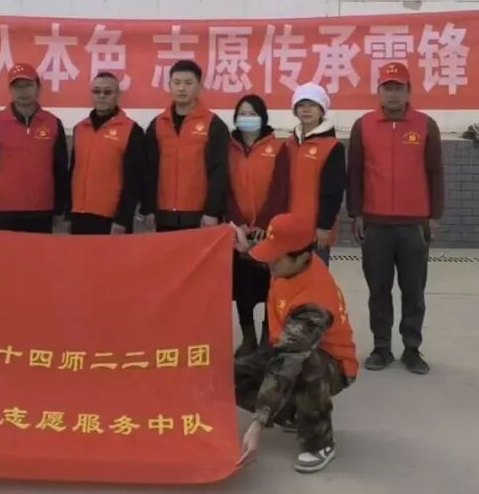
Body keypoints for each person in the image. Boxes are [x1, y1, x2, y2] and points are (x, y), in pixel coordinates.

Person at [232, 212, 358, 475]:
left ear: (301, 257)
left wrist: (258, 423)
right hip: (285, 346)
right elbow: (271, 257)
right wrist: (247, 248)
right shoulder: (294, 262)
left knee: (307, 365)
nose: (270, 263)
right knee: (234, 375)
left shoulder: (314, 303)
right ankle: (292, 412)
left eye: (276, 257)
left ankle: (319, 442)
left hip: (330, 362)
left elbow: (286, 362)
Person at [346, 62, 444, 375]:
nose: (392, 94)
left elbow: (435, 173)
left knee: (413, 290)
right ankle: (382, 347)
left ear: (409, 91)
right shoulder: (364, 126)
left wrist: (434, 215)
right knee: (379, 290)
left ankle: (412, 348)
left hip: (413, 224)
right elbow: (355, 173)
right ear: (379, 91)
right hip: (375, 224)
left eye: (398, 88)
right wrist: (356, 213)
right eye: (387, 88)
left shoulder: (425, 125)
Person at [227, 94, 289, 356]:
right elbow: (224, 188)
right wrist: (238, 223)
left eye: (252, 113)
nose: (247, 118)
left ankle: (267, 337)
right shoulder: (227, 148)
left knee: (269, 286)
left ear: (262, 117)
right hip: (237, 231)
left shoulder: (278, 147)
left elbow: (281, 188)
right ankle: (248, 337)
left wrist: (264, 222)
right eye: (242, 113)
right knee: (241, 286)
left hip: (268, 231)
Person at [0, 63, 69, 233]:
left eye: (28, 85)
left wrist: (59, 208)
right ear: (10, 90)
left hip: (42, 210)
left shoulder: (53, 123)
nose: (23, 91)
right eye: (17, 86)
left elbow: (60, 170)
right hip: (4, 210)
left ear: (38, 87)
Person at [142, 60, 230, 232]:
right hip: (163, 213)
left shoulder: (214, 124)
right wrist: (148, 208)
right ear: (169, 85)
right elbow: (148, 171)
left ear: (199, 87)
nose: (181, 88)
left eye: (188, 83)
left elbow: (220, 172)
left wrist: (212, 211)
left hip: (200, 215)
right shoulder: (158, 124)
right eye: (177, 83)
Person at [67, 72, 145, 235]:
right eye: (96, 91)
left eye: (107, 92)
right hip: (79, 216)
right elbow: (74, 171)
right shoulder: (80, 128)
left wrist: (123, 219)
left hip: (112, 221)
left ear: (118, 95)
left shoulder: (131, 130)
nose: (101, 96)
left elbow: (135, 180)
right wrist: (69, 214)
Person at [286, 83, 346, 266]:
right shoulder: (289, 144)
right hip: (289, 227)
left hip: (316, 231)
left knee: (315, 277)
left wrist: (324, 226)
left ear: (321, 110)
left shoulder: (332, 146)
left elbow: (333, 191)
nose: (306, 110)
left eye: (312, 105)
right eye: (301, 105)